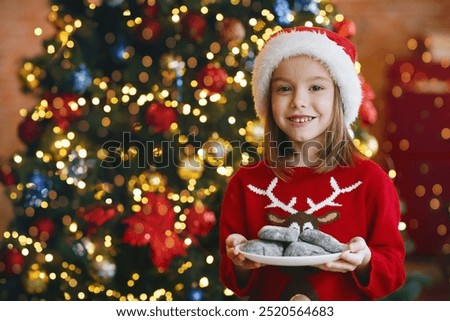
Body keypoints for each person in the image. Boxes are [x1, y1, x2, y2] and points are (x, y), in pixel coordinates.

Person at [219, 26, 406, 300]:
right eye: (284, 88)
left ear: (339, 97)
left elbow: (393, 272)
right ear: (268, 100)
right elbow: (234, 279)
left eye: (316, 87)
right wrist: (239, 261)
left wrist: (366, 261)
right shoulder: (246, 184)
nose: (299, 101)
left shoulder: (370, 180)